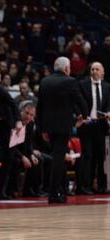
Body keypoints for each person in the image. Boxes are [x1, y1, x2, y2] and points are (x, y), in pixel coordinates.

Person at [37, 57, 88, 204]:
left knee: (56, 157)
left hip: (48, 127)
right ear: (66, 68)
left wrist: (41, 129)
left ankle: (61, 191)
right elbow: (80, 101)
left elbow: (39, 106)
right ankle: (54, 194)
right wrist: (83, 116)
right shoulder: (70, 81)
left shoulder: (45, 81)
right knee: (58, 159)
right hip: (63, 126)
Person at [77, 62, 110, 194]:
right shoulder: (82, 84)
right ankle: (86, 185)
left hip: (101, 125)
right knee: (88, 155)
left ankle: (102, 186)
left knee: (101, 156)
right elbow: (78, 103)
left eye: (97, 69)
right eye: (92, 69)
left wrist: (108, 112)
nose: (94, 71)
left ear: (102, 73)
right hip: (87, 125)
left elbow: (108, 105)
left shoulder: (107, 87)